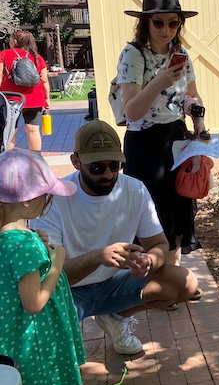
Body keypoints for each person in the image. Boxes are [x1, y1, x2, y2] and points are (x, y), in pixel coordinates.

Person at [35, 120, 200, 355]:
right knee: (46, 346)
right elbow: (50, 276)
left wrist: (150, 261)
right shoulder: (54, 198)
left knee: (184, 282)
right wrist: (98, 257)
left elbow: (159, 244)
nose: (108, 174)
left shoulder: (134, 189)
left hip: (114, 283)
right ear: (76, 161)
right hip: (67, 290)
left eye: (115, 166)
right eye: (97, 168)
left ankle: (115, 318)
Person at [0, 148, 86, 385]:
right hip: (32, 341)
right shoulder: (21, 244)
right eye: (45, 195)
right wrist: (56, 262)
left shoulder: (10, 237)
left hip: (11, 338)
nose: (48, 201)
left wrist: (37, 241)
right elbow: (34, 301)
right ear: (25, 199)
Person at [117, 0, 208, 265]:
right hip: (145, 143)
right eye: (159, 23)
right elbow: (130, 110)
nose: (166, 30)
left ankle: (172, 276)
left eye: (173, 23)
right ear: (146, 23)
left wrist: (199, 119)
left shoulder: (181, 54)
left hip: (176, 138)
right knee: (150, 212)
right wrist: (160, 80)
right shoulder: (133, 54)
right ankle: (149, 277)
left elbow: (191, 95)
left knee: (179, 206)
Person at [0, 30, 50, 151]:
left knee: (10, 130)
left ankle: (9, 160)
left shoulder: (5, 54)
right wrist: (47, 98)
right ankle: (35, 159)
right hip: (35, 97)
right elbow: (44, 80)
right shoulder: (37, 57)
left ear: (15, 41)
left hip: (11, 98)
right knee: (33, 129)